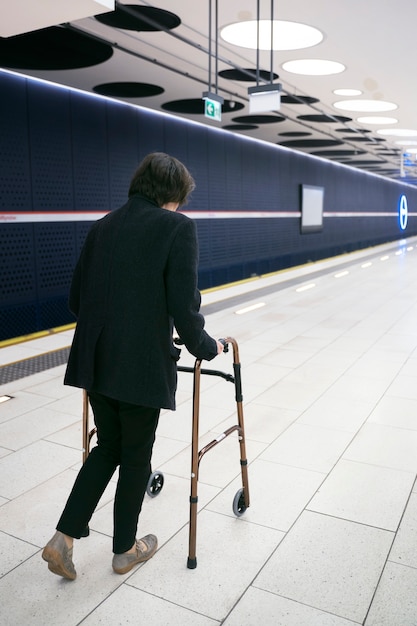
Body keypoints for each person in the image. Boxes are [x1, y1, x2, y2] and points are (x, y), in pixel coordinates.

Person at [42, 152, 223, 581]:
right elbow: (183, 304)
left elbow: (75, 301)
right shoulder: (177, 227)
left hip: (96, 360)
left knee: (109, 447)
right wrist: (205, 346)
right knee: (136, 454)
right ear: (172, 194)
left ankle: (63, 539)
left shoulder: (102, 225)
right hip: (139, 364)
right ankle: (124, 549)